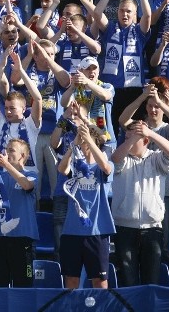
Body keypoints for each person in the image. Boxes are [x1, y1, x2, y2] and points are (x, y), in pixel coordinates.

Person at [110, 120, 169, 286]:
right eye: (126, 138)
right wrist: (133, 137)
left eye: (133, 139)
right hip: (124, 228)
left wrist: (150, 133)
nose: (128, 142)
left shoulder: (156, 159)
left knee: (150, 282)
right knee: (128, 281)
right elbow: (115, 159)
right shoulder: (122, 158)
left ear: (146, 141)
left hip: (152, 228)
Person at [57, 123, 115, 289]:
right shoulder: (75, 167)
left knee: (100, 281)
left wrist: (89, 139)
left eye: (86, 142)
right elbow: (62, 168)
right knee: (71, 281)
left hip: (97, 231)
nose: (83, 144)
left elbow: (106, 167)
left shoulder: (102, 164)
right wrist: (75, 142)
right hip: (72, 231)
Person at [0, 138, 38, 288]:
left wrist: (5, 164)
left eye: (11, 150)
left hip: (22, 237)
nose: (6, 153)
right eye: (6, 150)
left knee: (23, 286)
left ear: (23, 156)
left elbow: (26, 185)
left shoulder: (31, 174)